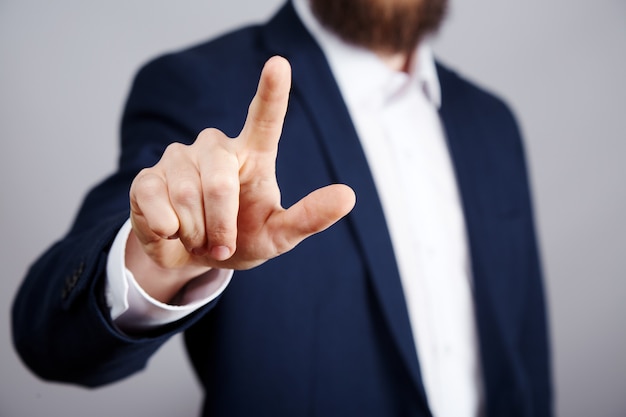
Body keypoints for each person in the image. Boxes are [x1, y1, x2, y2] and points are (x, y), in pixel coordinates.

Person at [12, 0, 553, 415]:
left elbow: (525, 354)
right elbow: (48, 339)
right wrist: (155, 260)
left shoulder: (493, 125)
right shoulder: (199, 87)